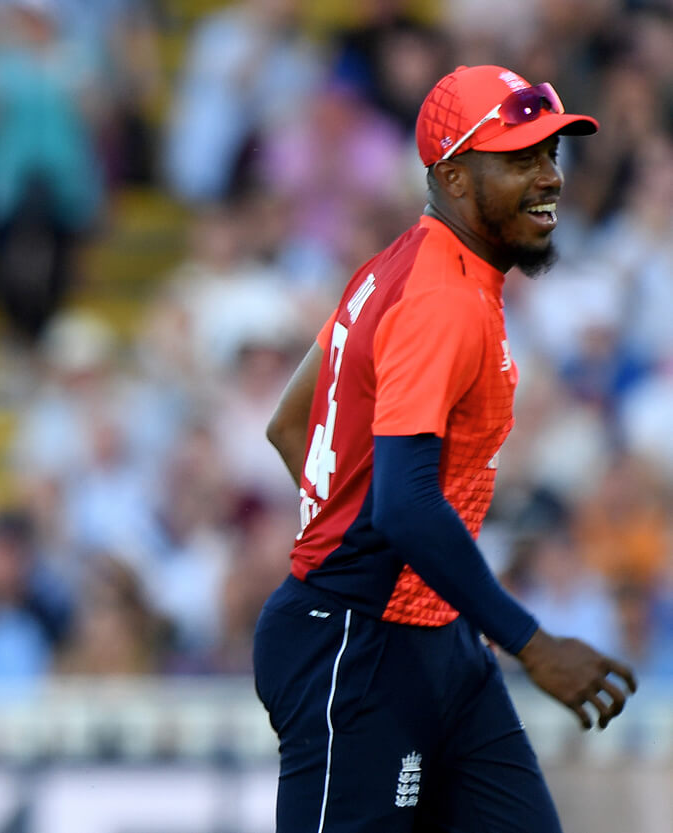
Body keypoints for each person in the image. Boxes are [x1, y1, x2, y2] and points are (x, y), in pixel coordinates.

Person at [255, 64, 638, 832]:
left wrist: (407, 578)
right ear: (455, 175)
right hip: (358, 644)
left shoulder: (405, 269)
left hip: (426, 633)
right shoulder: (441, 299)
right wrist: (529, 642)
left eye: (549, 155)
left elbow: (290, 423)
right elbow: (401, 502)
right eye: (520, 158)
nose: (546, 178)